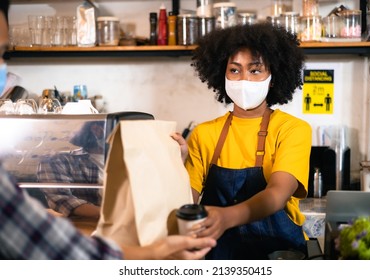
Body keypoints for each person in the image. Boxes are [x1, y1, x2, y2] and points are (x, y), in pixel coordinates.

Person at [0, 0, 216, 260]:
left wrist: (173, 161)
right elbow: (64, 233)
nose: (6, 72)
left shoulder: (124, 157)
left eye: (3, 54)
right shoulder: (59, 161)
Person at [183, 22, 312, 259]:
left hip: (278, 254)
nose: (244, 80)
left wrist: (226, 217)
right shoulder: (204, 134)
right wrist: (173, 167)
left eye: (255, 70)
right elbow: (184, 204)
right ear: (222, 74)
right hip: (216, 253)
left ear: (272, 77)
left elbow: (277, 194)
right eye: (234, 70)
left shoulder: (292, 129)